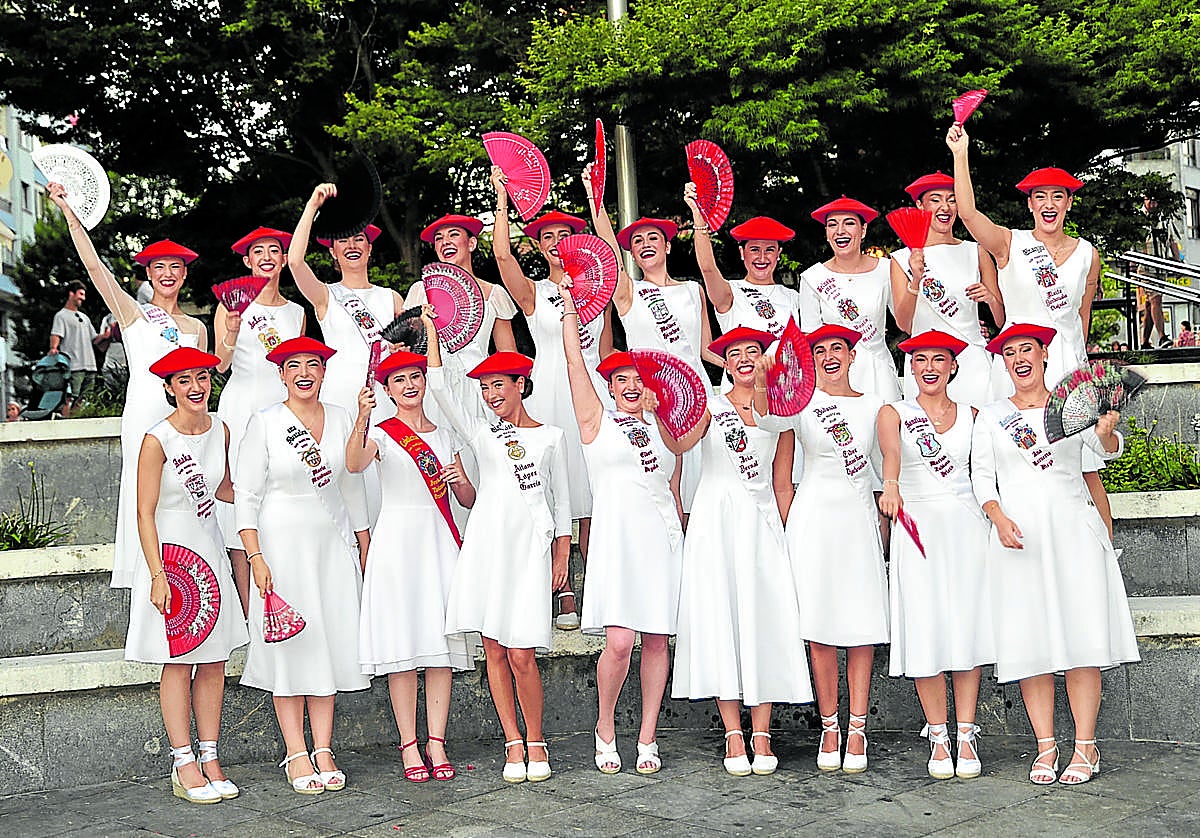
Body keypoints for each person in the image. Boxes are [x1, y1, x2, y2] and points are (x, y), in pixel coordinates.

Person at [971, 323, 1139, 785]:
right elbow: (982, 478)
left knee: (1082, 640)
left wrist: (1106, 431)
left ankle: (1086, 745)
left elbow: (1105, 451)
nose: (1019, 359)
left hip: (1072, 534)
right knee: (1032, 644)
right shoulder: (991, 417)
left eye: (1027, 349)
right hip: (1019, 539)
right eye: (1010, 353)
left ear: (1044, 354)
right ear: (1003, 362)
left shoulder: (1070, 407)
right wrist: (998, 517)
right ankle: (1045, 746)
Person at [946, 126, 1117, 541]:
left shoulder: (1088, 254)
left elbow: (1081, 317)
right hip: (1017, 363)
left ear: (1069, 203)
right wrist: (960, 153)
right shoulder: (1010, 243)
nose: (1049, 204)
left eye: (1058, 196)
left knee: (1085, 467)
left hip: (1066, 368)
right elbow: (969, 215)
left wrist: (1080, 370)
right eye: (1040, 197)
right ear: (1030, 204)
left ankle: (1103, 553)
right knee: (1009, 459)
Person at [425, 315, 571, 784]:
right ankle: (512, 740)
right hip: (488, 548)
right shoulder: (482, 433)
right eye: (485, 388)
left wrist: (562, 555)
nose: (490, 395)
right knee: (493, 650)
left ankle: (536, 738)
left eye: (498, 386)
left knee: (522, 653)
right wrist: (432, 331)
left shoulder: (551, 437)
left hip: (528, 551)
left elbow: (562, 502)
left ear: (520, 385)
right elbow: (440, 389)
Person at [48, 182, 207, 589]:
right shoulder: (133, 313)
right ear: (149, 274)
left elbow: (207, 379)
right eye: (159, 268)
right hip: (144, 415)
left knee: (187, 493)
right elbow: (95, 268)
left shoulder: (196, 328)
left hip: (186, 420)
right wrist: (69, 213)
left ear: (185, 273)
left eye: (175, 267)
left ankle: (193, 574)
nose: (168, 274)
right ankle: (151, 581)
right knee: (146, 497)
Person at [671, 326, 812, 776]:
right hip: (715, 520)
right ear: (726, 364)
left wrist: (789, 537)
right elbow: (680, 444)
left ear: (765, 359)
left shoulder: (782, 414)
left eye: (754, 351)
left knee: (761, 620)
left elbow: (782, 483)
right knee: (721, 618)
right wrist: (663, 412)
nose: (745, 359)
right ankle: (733, 730)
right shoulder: (710, 407)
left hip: (760, 524)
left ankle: (762, 731)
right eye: (735, 353)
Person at [236, 336, 372, 795]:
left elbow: (351, 486)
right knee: (291, 647)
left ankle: (324, 747)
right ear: (281, 374)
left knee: (327, 639)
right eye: (293, 366)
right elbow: (246, 496)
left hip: (330, 544)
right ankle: (296, 750)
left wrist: (363, 542)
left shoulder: (341, 417)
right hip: (280, 546)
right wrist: (255, 556)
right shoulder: (265, 423)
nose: (304, 373)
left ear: (324, 371)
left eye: (312, 364)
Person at [560, 283, 684, 776]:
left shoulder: (664, 426)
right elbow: (575, 363)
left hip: (660, 539)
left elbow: (673, 485)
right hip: (616, 542)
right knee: (619, 642)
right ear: (610, 387)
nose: (630, 386)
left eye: (638, 378)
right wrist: (570, 311)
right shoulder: (596, 421)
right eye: (620, 379)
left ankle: (648, 735)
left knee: (656, 640)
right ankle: (605, 725)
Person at [753, 323, 886, 772]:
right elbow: (768, 424)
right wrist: (764, 381)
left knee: (862, 626)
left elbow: (886, 467)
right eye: (821, 350)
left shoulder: (874, 405)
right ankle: (830, 726)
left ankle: (858, 727)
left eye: (837, 349)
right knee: (820, 627)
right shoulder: (801, 401)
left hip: (857, 519)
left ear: (852, 356)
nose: (830, 357)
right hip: (813, 520)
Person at [491, 165, 614, 631]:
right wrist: (502, 198)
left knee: (593, 489)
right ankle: (557, 588)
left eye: (565, 235)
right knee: (547, 488)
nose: (557, 242)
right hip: (548, 394)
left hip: (592, 394)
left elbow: (606, 353)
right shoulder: (535, 293)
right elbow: (502, 257)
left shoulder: (600, 291)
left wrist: (595, 197)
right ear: (539, 246)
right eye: (548, 237)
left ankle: (597, 589)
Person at [346, 346, 476, 783]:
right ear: (387, 390)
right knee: (401, 647)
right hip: (397, 544)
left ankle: (436, 741)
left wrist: (461, 481)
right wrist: (362, 417)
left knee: (440, 648)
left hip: (438, 542)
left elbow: (467, 500)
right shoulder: (382, 434)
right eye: (398, 380)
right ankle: (408, 743)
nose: (409, 385)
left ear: (424, 381)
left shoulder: (446, 436)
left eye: (415, 377)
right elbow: (353, 463)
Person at [126, 347, 248, 804]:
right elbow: (144, 512)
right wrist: (157, 574)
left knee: (214, 659)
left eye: (202, 377)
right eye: (185, 380)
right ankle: (183, 761)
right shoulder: (156, 440)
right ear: (169, 388)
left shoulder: (222, 430)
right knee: (177, 661)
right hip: (172, 559)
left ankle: (211, 756)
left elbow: (227, 489)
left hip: (209, 552)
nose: (196, 387)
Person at [877, 330, 994, 780]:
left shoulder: (974, 415)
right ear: (911, 367)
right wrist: (891, 487)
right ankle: (939, 735)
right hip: (917, 527)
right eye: (921, 359)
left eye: (938, 359)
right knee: (925, 627)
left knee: (966, 628)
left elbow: (983, 475)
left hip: (966, 529)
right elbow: (891, 455)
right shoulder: (895, 413)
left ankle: (966, 732)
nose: (929, 367)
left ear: (952, 366)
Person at [584, 171, 718, 512]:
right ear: (631, 253)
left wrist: (742, 367)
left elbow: (705, 350)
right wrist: (595, 197)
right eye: (638, 241)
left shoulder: (693, 291)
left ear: (667, 245)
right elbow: (608, 250)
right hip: (651, 397)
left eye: (653, 238)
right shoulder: (629, 292)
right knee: (666, 485)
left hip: (696, 393)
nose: (645, 244)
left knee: (705, 481)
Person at [214, 227, 306, 614]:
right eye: (258, 251)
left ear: (284, 259)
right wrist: (232, 333)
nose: (267, 257)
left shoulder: (297, 312)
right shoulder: (231, 306)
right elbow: (220, 365)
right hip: (241, 407)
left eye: (274, 250)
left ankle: (284, 603)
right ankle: (250, 616)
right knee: (242, 502)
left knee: (281, 499)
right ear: (247, 261)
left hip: (283, 410)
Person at [287, 185, 405, 429]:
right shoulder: (325, 295)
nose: (352, 246)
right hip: (339, 396)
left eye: (359, 239)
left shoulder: (391, 298)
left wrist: (402, 349)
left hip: (385, 397)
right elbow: (295, 262)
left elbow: (410, 348)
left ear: (369, 248)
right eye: (343, 240)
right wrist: (312, 205)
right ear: (333, 251)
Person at [890, 172, 1003, 406]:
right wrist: (916, 280)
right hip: (925, 364)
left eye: (952, 200)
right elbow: (904, 324)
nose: (945, 207)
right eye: (935, 200)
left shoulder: (976, 251)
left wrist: (990, 299)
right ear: (920, 205)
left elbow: (1001, 319)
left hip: (972, 361)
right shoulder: (902, 259)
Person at [404, 213, 519, 416]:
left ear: (471, 243)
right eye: (439, 238)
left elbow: (508, 356)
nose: (445, 242)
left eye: (453, 234)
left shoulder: (494, 293)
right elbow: (408, 348)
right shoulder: (420, 291)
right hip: (432, 386)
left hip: (478, 388)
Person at [800, 197, 903, 402]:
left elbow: (906, 320)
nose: (840, 231)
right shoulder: (812, 278)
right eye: (832, 225)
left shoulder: (887, 269)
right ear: (826, 233)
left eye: (848, 223)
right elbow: (810, 339)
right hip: (834, 377)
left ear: (863, 230)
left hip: (878, 372)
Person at [686, 192, 801, 338]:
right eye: (754, 250)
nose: (762, 257)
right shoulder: (731, 292)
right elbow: (708, 269)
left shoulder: (794, 297)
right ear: (742, 252)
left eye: (770, 250)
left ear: (778, 254)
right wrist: (698, 216)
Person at [49, 280, 99, 417]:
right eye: (80, 294)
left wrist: (108, 335)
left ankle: (76, 420)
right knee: (70, 397)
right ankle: (66, 421)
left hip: (90, 365)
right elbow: (56, 334)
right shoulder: (61, 315)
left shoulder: (85, 317)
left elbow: (95, 339)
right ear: (71, 294)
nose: (83, 298)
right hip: (74, 365)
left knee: (84, 398)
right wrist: (54, 348)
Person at [1140, 196, 1182, 349]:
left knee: (1150, 305)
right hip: (1146, 268)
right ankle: (1162, 336)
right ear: (1144, 200)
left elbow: (1172, 241)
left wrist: (1177, 262)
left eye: (1155, 201)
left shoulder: (1164, 219)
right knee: (1156, 300)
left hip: (1161, 266)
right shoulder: (1138, 218)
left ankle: (1145, 342)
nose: (1153, 204)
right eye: (1149, 201)